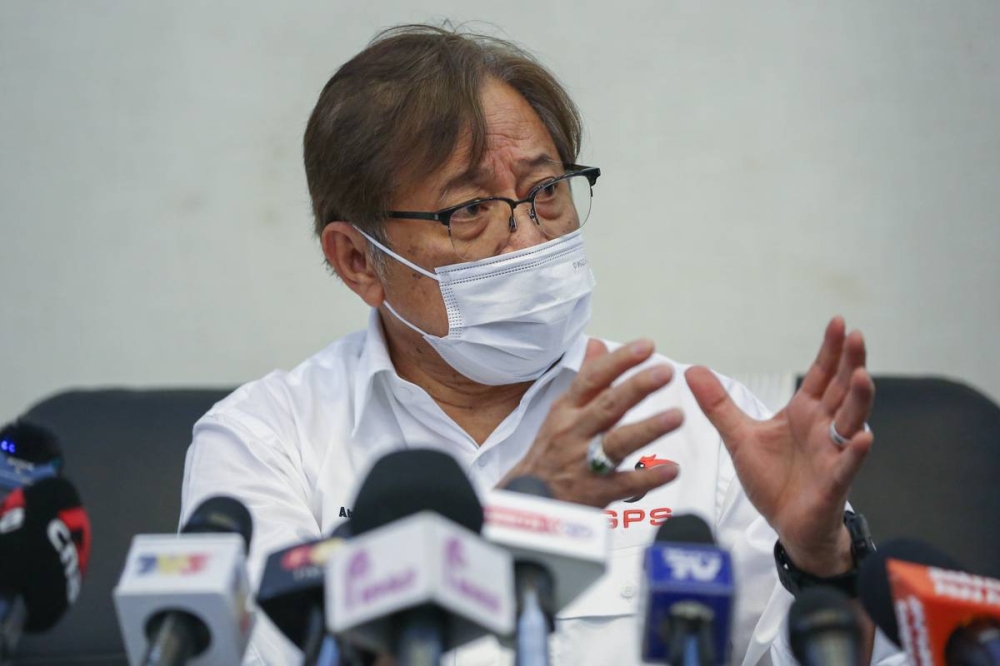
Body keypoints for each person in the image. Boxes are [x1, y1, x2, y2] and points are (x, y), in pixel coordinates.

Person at [181, 24, 902, 665]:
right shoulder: (266, 441)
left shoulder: (701, 427)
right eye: (471, 209)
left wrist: (824, 564)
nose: (530, 238)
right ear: (358, 261)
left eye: (546, 191)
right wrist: (520, 518)